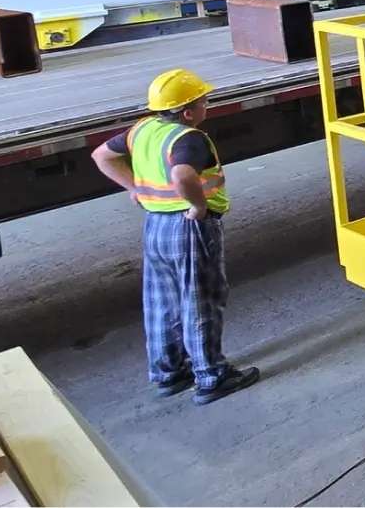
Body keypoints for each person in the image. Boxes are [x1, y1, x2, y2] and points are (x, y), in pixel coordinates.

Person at [90, 69, 260, 405]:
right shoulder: (188, 138)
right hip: (188, 227)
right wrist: (197, 205)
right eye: (203, 101)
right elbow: (182, 174)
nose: (206, 105)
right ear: (187, 112)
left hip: (155, 226)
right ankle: (211, 376)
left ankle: (170, 373)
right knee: (201, 299)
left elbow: (102, 156)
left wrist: (135, 188)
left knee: (161, 302)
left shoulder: (142, 129)